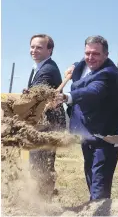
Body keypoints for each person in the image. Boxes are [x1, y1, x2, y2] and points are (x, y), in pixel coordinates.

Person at [56, 35, 118, 200]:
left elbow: (93, 91)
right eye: (87, 53)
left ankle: (98, 208)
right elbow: (80, 63)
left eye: (95, 54)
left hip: (105, 135)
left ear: (106, 55)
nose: (90, 57)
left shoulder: (109, 73)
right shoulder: (84, 63)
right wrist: (73, 65)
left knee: (100, 177)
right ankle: (95, 204)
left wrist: (67, 97)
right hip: (86, 131)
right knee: (90, 172)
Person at [28, 34, 66, 199]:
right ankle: (41, 200)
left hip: (48, 125)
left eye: (39, 47)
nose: (34, 50)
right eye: (32, 47)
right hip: (43, 124)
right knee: (38, 164)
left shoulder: (47, 70)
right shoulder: (40, 68)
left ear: (49, 50)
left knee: (41, 165)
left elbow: (34, 97)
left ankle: (42, 204)